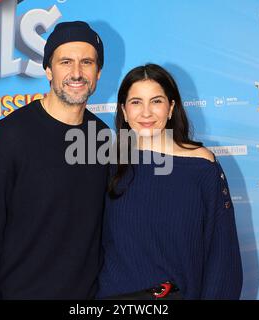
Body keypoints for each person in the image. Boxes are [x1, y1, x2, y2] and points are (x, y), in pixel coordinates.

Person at [0, 21, 109, 299]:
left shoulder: (101, 136)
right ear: (48, 70)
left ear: (98, 73)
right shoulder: (11, 135)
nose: (76, 73)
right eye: (65, 61)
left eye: (86, 62)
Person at [96, 64, 243, 300]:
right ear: (123, 110)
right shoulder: (106, 166)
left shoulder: (201, 166)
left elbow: (222, 254)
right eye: (136, 102)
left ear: (171, 107)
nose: (146, 113)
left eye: (156, 101)